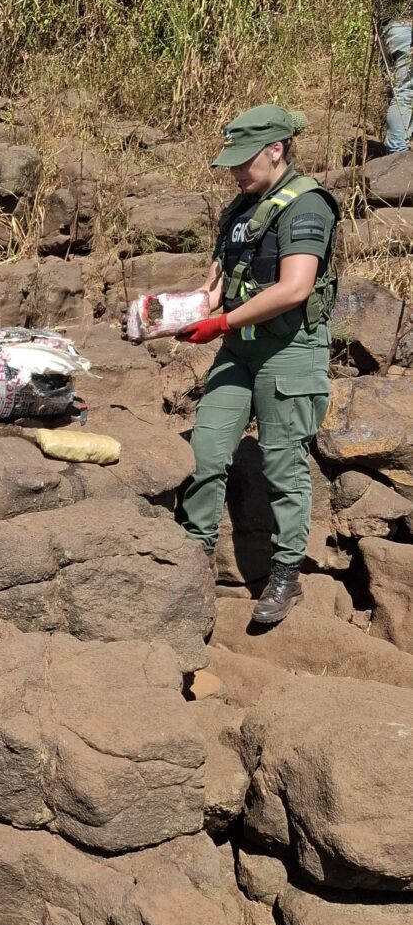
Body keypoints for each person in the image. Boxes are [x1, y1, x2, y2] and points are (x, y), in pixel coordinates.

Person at [173, 104, 339, 626]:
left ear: (277, 150)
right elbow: (215, 286)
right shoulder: (240, 208)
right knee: (205, 448)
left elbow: (296, 287)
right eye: (231, 164)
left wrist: (220, 325)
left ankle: (286, 572)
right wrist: (176, 312)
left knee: (281, 462)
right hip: (239, 348)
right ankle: (195, 555)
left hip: (289, 350)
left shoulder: (306, 205)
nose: (237, 172)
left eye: (246, 161)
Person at [374, 0, 413, 154]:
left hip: (389, 35)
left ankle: (399, 145)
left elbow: (376, 15)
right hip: (408, 34)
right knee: (406, 93)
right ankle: (397, 151)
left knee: (396, 92)